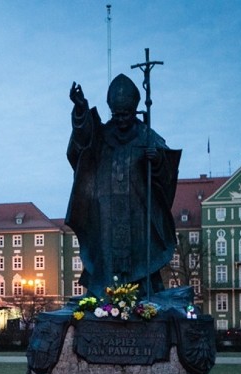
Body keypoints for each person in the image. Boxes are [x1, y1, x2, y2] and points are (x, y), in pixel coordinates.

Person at [65, 74, 182, 299]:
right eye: (116, 115)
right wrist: (81, 110)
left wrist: (156, 159)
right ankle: (103, 298)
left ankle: (142, 298)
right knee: (105, 254)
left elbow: (167, 171)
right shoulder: (102, 135)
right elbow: (81, 146)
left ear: (134, 111)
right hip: (105, 209)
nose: (121, 120)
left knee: (141, 256)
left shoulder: (146, 135)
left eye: (125, 114)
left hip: (137, 208)